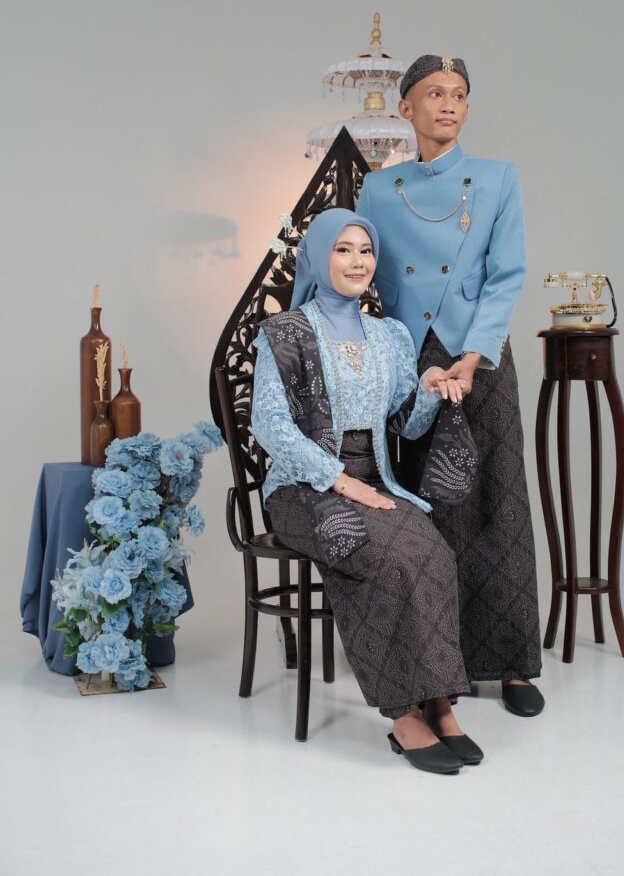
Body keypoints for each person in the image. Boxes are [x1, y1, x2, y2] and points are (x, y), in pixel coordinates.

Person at [252, 208, 482, 773]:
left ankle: (439, 703)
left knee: (432, 551)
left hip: (375, 479)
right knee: (375, 554)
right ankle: (404, 714)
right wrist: (339, 480)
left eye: (366, 251)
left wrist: (429, 389)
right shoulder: (285, 334)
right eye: (343, 250)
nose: (358, 262)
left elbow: (405, 423)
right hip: (304, 487)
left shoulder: (389, 335)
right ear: (318, 257)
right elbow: (269, 425)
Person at [356, 55, 544, 717]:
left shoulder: (497, 178)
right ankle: (437, 666)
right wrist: (392, 355)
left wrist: (474, 352)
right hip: (414, 360)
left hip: (479, 356)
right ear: (406, 108)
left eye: (459, 94)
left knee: (497, 497)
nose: (449, 105)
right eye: (434, 94)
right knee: (425, 503)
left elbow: (507, 273)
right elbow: (366, 278)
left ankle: (513, 665)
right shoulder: (380, 189)